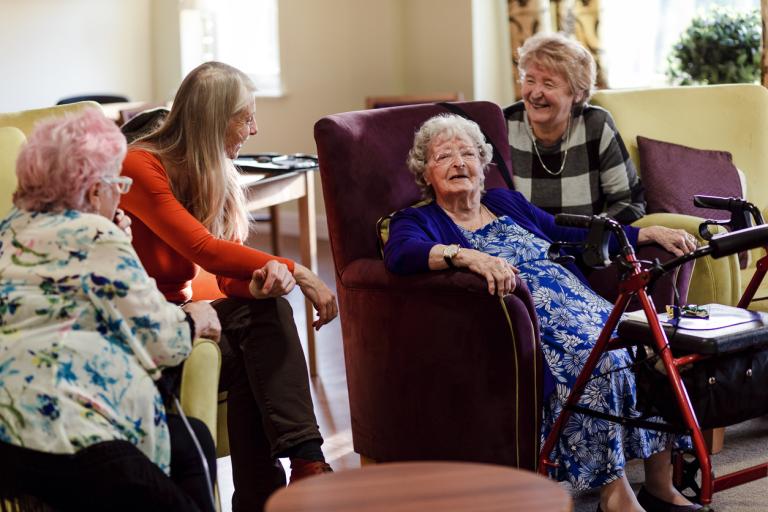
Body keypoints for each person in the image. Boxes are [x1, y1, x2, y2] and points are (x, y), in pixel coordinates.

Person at [384, 114, 702, 512]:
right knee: (599, 364)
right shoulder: (419, 219)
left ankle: (659, 485)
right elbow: (400, 254)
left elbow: (562, 231)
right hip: (533, 325)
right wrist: (464, 256)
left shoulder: (504, 202)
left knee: (653, 349)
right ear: (425, 172)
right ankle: (615, 495)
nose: (459, 163)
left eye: (468, 153)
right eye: (444, 156)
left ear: (484, 166)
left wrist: (644, 234)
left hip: (583, 304)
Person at [119, 61, 338, 512]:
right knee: (246, 352)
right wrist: (299, 272)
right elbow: (205, 249)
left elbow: (221, 276)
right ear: (215, 119)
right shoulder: (140, 164)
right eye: (246, 117)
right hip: (143, 318)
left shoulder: (213, 171)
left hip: (189, 309)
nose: (254, 129)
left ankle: (305, 464)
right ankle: (271, 494)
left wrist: (258, 286)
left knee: (266, 313)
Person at [0, 109, 220, 511]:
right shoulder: (94, 233)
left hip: (8, 438)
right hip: (69, 435)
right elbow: (164, 343)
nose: (120, 196)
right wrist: (196, 318)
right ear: (93, 190)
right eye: (117, 184)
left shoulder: (8, 231)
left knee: (190, 443)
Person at [505, 32, 645, 225]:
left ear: (577, 93)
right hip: (520, 248)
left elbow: (629, 202)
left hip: (584, 244)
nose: (535, 93)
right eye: (530, 80)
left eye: (548, 83)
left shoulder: (595, 124)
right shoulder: (504, 124)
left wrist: (589, 232)